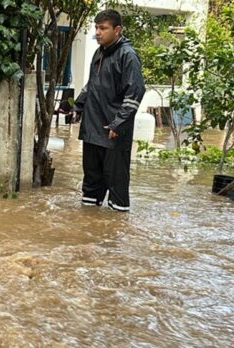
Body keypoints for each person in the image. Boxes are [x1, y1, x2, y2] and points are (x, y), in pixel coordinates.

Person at [73, 9, 145, 212]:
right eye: (96, 27)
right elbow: (91, 85)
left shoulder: (128, 56)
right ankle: (89, 231)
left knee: (117, 185)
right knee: (91, 185)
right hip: (92, 130)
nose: (98, 32)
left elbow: (135, 92)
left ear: (117, 30)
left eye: (103, 28)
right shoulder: (99, 53)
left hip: (113, 132)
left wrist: (118, 123)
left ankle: (115, 236)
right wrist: (77, 107)